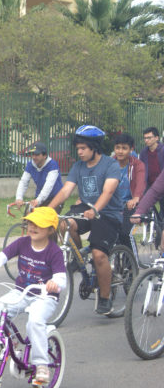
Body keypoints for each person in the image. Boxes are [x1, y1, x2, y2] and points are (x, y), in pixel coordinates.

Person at [0, 207, 66, 386]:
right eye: (30, 223)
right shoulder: (22, 243)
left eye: (39, 224)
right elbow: (1, 257)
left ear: (51, 229)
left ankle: (41, 365)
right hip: (21, 292)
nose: (32, 227)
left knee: (34, 322)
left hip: (45, 296)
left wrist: (54, 283)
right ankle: (11, 341)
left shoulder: (54, 251)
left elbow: (61, 277)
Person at [47, 125, 123, 315]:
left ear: (94, 147)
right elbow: (66, 190)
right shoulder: (78, 166)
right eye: (78, 148)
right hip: (86, 208)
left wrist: (95, 209)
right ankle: (78, 257)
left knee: (99, 255)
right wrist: (48, 210)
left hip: (107, 213)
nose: (79, 152)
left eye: (83, 148)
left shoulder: (110, 165)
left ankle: (105, 298)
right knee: (64, 223)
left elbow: (108, 192)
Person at [112, 133, 145, 248]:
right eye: (117, 148)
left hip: (130, 205)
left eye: (124, 148)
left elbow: (140, 183)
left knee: (125, 233)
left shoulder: (137, 165)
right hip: (113, 205)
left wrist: (135, 198)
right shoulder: (109, 164)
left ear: (131, 149)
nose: (120, 151)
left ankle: (131, 258)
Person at [14, 142, 63, 212]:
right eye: (33, 154)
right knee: (29, 215)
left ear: (45, 155)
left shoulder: (52, 165)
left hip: (56, 197)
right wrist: (19, 198)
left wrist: (38, 200)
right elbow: (23, 182)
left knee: (47, 216)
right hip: (39, 197)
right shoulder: (30, 165)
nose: (34, 157)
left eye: (37, 155)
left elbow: (48, 185)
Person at [139, 126, 164, 212]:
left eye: (149, 138)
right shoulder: (143, 153)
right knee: (147, 209)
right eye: (145, 138)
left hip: (161, 185)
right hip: (149, 186)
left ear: (157, 138)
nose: (146, 140)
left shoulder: (162, 150)